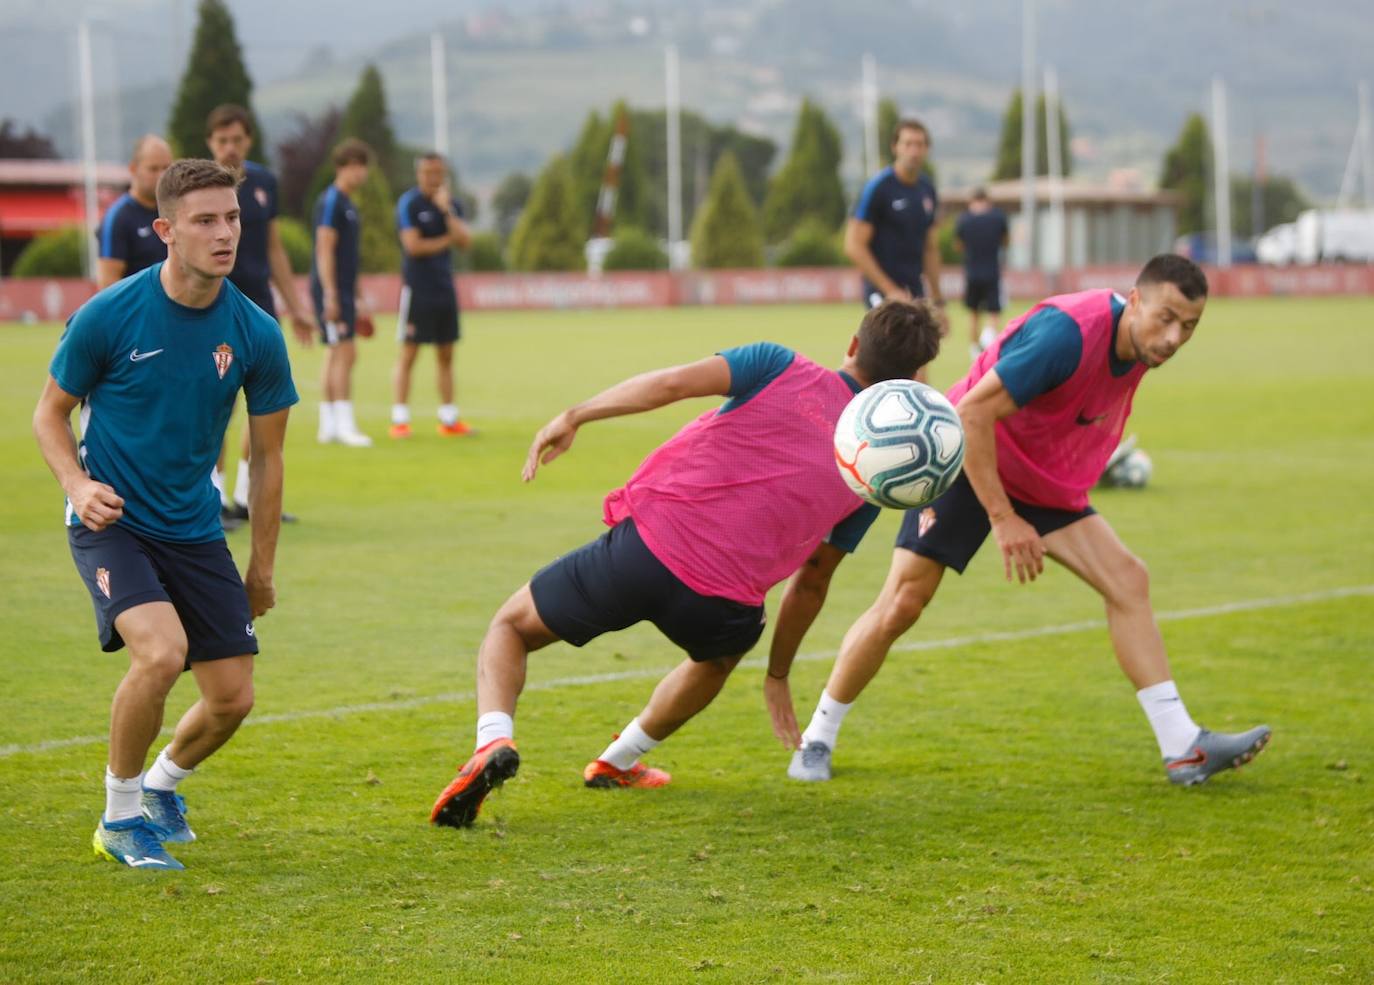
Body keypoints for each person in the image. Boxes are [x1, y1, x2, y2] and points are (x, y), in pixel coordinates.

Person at [429, 302, 942, 828]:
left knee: (511, 627)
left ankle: (492, 740)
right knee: (717, 660)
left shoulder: (778, 364)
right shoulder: (872, 477)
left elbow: (671, 384)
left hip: (643, 552)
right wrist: (778, 674)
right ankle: (617, 761)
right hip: (723, 605)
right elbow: (813, 581)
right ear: (912, 380)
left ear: (853, 345)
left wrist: (577, 414)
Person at [782, 254, 1271, 788]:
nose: (1175, 337)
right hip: (968, 460)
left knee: (1127, 579)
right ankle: (816, 740)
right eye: (1166, 317)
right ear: (1133, 300)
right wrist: (1003, 517)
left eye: (1190, 326)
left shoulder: (1141, 347)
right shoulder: (1068, 333)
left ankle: (1183, 748)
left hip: (1039, 476)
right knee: (902, 603)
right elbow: (972, 412)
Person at [32, 159, 298, 870]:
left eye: (233, 218)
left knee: (232, 697)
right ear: (166, 230)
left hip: (193, 525)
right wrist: (78, 484)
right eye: (206, 220)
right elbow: (49, 415)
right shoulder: (110, 314)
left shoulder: (256, 332)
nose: (224, 233)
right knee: (161, 652)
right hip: (110, 520)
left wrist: (262, 565)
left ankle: (160, 784)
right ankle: (118, 818)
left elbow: (268, 460)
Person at [204, 104, 316, 525]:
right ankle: (211, 500)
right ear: (210, 144)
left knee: (265, 406)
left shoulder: (264, 182)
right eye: (222, 141)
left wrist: (297, 306)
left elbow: (274, 249)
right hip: (214, 309)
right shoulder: (202, 185)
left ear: (248, 140)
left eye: (237, 139)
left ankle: (248, 498)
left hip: (260, 311)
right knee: (216, 406)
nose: (230, 147)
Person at [390, 152, 473, 439]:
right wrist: (447, 239)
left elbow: (465, 241)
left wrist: (447, 212)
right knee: (410, 353)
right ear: (419, 174)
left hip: (444, 289)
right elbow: (413, 246)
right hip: (418, 289)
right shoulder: (409, 203)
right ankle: (400, 419)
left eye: (438, 173)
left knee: (446, 354)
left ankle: (449, 419)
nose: (433, 179)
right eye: (428, 173)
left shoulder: (451, 204)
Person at [846, 117, 949, 346]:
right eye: (908, 143)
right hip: (882, 293)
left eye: (919, 144)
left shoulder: (927, 189)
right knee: (889, 362)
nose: (914, 150)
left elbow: (930, 248)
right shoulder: (879, 187)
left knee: (918, 365)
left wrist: (938, 301)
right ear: (895, 147)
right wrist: (890, 291)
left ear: (927, 149)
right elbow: (853, 245)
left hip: (915, 291)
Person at [311, 138, 374, 447]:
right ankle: (345, 425)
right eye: (355, 166)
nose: (361, 173)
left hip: (344, 289)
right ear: (342, 168)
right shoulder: (332, 201)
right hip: (332, 290)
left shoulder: (349, 203)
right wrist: (331, 295)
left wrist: (358, 295)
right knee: (346, 353)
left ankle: (328, 424)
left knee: (335, 353)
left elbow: (350, 255)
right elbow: (325, 248)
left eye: (363, 167)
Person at [95, 135, 173, 289]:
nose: (161, 175)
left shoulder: (175, 210)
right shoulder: (118, 217)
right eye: (153, 169)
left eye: (166, 168)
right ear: (133, 169)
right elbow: (108, 285)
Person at [955, 187, 1009, 359]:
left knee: (973, 313)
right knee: (993, 312)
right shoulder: (998, 217)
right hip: (992, 270)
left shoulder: (964, 219)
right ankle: (990, 347)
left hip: (972, 272)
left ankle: (974, 348)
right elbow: (1006, 241)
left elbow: (958, 245)